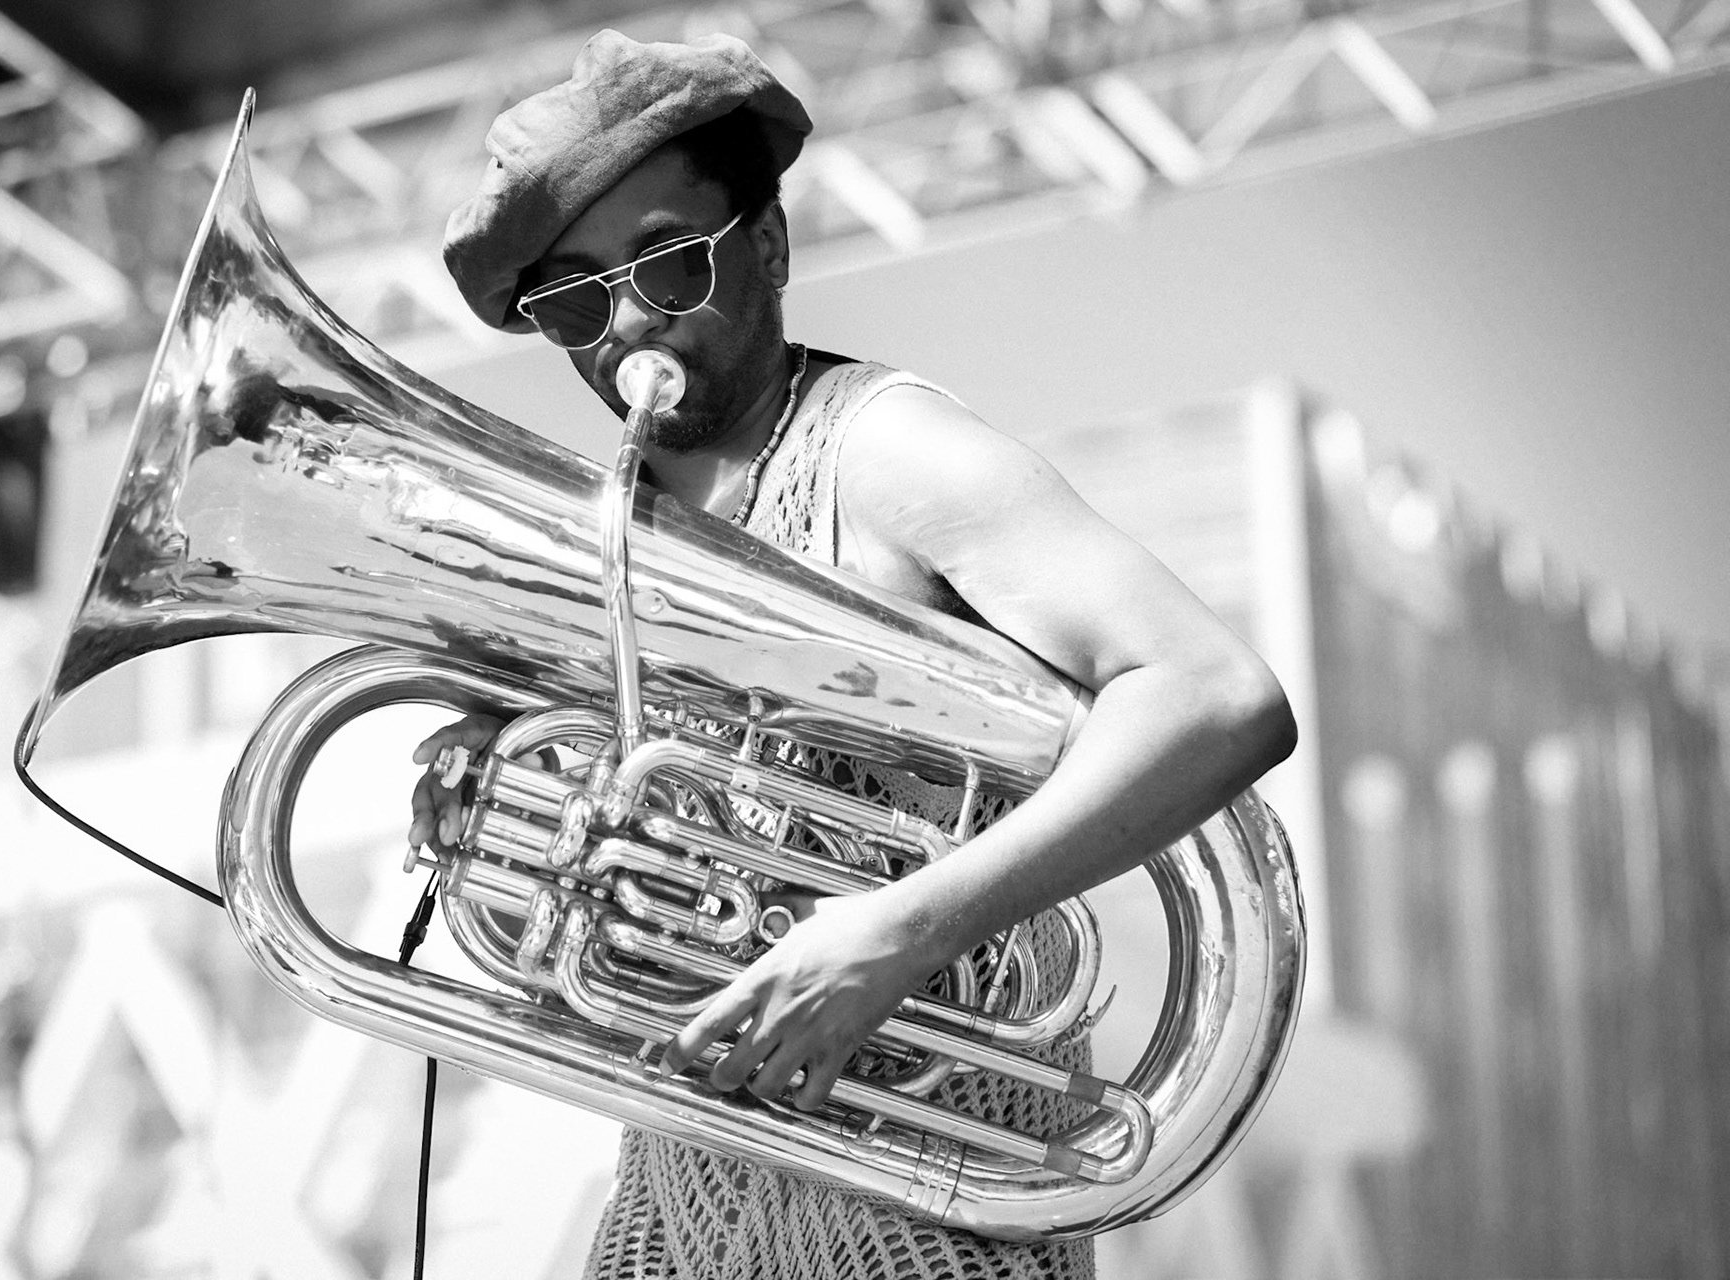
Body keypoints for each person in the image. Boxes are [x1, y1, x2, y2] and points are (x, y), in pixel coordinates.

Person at [412, 29, 1296, 1280]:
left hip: (934, 1222)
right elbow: (601, 948)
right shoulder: (607, 542)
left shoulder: (889, 454)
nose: (621, 324)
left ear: (767, 247)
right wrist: (492, 838)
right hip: (680, 1218)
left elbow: (1217, 696)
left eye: (666, 261)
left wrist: (902, 928)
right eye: (571, 295)